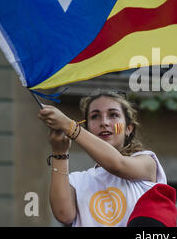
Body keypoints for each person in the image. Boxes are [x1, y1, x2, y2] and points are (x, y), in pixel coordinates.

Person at [37, 90, 169, 227]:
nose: (104, 122)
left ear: (128, 129)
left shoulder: (147, 161)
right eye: (95, 116)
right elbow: (63, 215)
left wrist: (69, 126)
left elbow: (118, 165)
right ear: (87, 130)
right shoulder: (77, 181)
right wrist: (59, 152)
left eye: (113, 115)